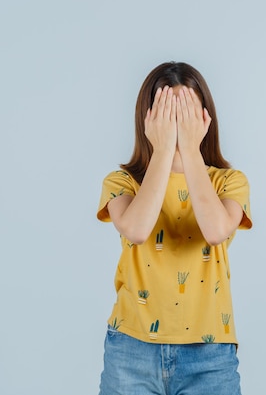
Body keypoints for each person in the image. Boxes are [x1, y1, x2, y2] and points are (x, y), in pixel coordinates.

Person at [96, 61, 253, 395]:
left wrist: (190, 151)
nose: (179, 122)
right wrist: (165, 148)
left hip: (209, 353)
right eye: (170, 112)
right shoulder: (122, 182)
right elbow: (136, 230)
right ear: (148, 119)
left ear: (205, 118)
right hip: (131, 350)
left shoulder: (229, 182)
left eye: (188, 112)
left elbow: (215, 231)